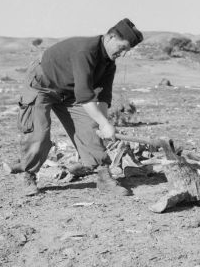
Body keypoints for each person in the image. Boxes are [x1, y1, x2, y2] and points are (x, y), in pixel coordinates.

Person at [14, 18, 144, 197]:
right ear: (111, 37)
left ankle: (103, 177)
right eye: (122, 48)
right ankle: (28, 175)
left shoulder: (109, 64)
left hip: (68, 92)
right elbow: (85, 96)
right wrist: (105, 124)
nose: (122, 55)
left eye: (126, 51)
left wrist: (102, 123)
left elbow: (104, 98)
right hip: (42, 84)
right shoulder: (85, 51)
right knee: (39, 133)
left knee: (90, 127)